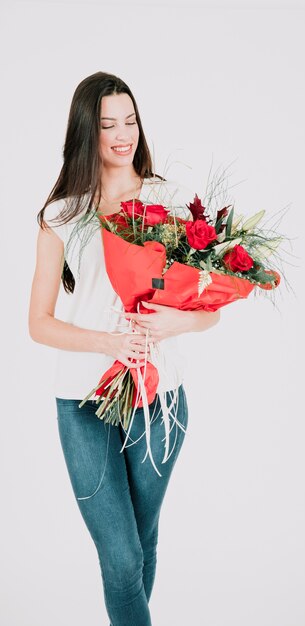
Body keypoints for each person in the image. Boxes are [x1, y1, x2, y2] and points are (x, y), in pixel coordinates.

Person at [28, 71, 219, 626]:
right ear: (86, 131)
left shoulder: (168, 201)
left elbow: (207, 313)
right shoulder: (62, 216)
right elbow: (38, 324)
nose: (122, 134)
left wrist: (172, 324)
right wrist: (107, 341)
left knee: (140, 544)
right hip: (81, 402)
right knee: (121, 556)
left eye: (129, 120)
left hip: (160, 400)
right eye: (108, 123)